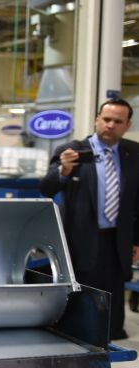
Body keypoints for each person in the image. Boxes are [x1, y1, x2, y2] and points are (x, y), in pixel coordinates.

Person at [41, 98, 139, 343]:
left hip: (118, 244)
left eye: (117, 121)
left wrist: (136, 240)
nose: (110, 125)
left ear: (127, 125)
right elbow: (46, 187)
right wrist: (63, 171)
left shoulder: (133, 153)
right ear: (97, 120)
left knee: (112, 311)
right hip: (81, 243)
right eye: (106, 119)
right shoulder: (71, 151)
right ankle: (80, 367)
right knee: (82, 308)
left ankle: (104, 366)